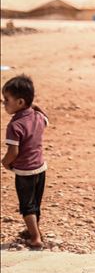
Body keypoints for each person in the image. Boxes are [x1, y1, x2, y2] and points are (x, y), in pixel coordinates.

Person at [2, 75, 49, 249]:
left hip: (25, 172)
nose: (4, 103)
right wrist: (35, 107)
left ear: (20, 102)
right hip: (40, 168)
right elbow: (45, 118)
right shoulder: (37, 117)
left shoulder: (15, 126)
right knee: (36, 203)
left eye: (7, 100)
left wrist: (5, 163)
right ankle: (35, 230)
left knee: (27, 206)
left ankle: (35, 238)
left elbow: (13, 151)